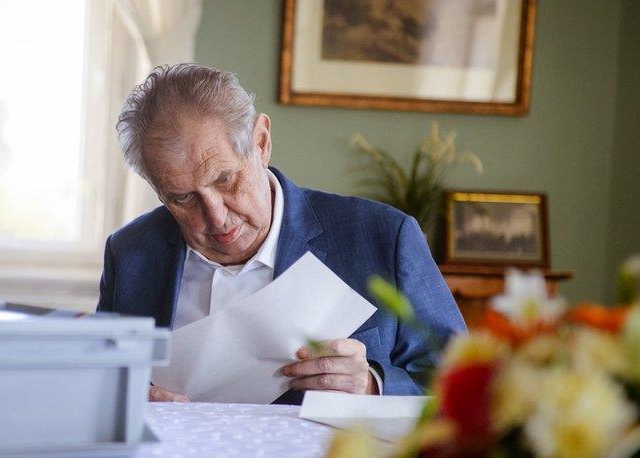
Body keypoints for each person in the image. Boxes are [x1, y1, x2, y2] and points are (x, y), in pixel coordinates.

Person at [97, 64, 465, 404]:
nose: (216, 216)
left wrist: (372, 385)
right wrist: (126, 399)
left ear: (261, 142)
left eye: (225, 179)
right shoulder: (130, 253)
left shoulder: (382, 237)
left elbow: (463, 385)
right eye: (181, 198)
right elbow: (99, 382)